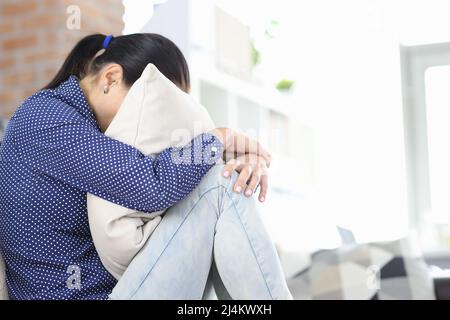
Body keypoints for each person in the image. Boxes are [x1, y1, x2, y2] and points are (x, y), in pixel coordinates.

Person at [0, 33, 292, 300]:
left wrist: (238, 160)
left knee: (221, 180)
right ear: (111, 79)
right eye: (153, 105)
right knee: (218, 185)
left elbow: (179, 190)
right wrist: (220, 139)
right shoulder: (44, 119)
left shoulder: (88, 129)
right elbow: (152, 185)